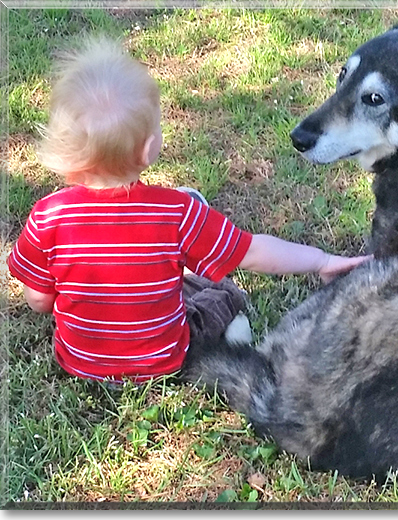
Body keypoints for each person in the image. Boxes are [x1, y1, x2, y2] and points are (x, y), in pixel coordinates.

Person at [7, 36, 371, 384]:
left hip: (79, 362)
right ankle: (234, 336)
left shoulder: (48, 216)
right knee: (219, 290)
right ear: (149, 149)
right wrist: (321, 261)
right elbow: (255, 252)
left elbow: (39, 300)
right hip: (165, 358)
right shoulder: (175, 212)